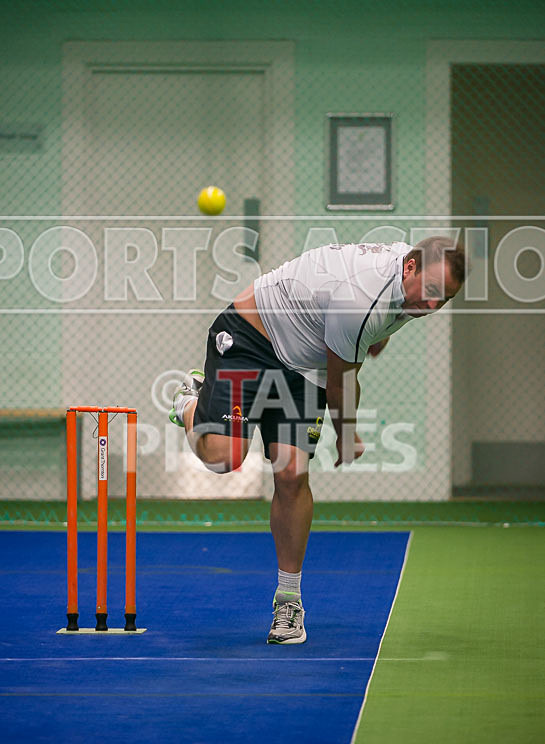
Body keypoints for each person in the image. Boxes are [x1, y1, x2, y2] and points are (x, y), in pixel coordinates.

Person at [169, 236, 467, 644]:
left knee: (291, 475)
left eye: (445, 299)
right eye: (432, 293)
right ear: (411, 269)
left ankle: (288, 601)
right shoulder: (362, 300)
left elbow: (370, 326)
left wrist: (379, 334)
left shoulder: (406, 280)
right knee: (225, 458)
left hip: (303, 365)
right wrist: (347, 433)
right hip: (250, 339)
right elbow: (342, 380)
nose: (434, 305)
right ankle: (191, 402)